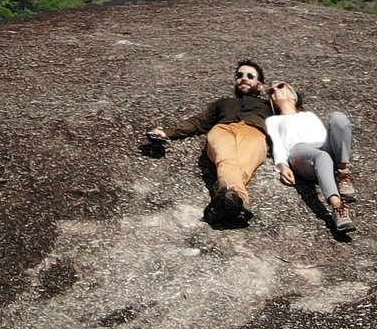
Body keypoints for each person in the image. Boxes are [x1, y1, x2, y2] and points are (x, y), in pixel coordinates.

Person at [145, 59, 277, 223]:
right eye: (239, 75)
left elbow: (292, 119)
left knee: (242, 166)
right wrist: (167, 133)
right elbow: (199, 122)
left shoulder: (270, 107)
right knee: (225, 159)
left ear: (260, 85)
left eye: (250, 76)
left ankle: (228, 201)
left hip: (254, 132)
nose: (243, 78)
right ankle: (238, 202)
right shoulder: (222, 103)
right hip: (223, 129)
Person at [264, 80, 358, 236]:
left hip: (322, 145)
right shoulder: (273, 120)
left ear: (292, 93)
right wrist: (282, 165)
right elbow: (277, 143)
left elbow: (326, 135)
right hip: (300, 151)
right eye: (271, 92)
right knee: (322, 157)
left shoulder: (309, 115)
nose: (275, 91)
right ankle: (338, 207)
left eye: (280, 86)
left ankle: (343, 173)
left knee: (338, 118)